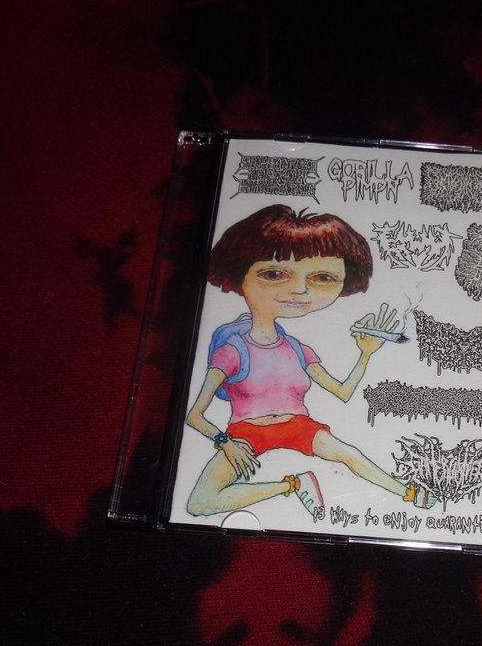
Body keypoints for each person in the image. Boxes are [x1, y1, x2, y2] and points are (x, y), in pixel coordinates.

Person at [185, 204, 435, 519]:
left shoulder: (298, 348)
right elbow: (194, 416)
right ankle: (291, 485)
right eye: (274, 274)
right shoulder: (232, 350)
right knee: (200, 503)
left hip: (298, 426)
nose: (300, 290)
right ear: (239, 274)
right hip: (246, 434)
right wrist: (225, 442)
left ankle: (407, 492)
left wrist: (365, 354)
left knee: (347, 454)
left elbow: (342, 392)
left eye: (321, 277)